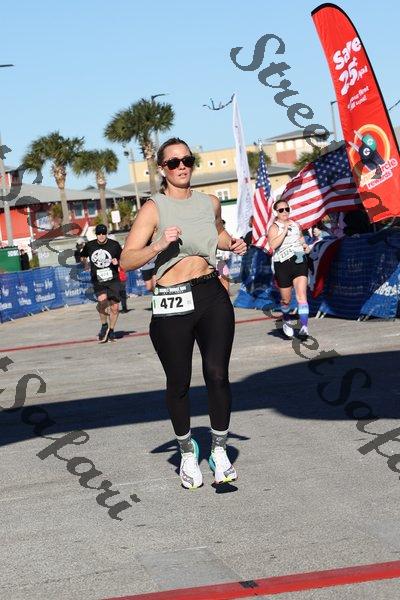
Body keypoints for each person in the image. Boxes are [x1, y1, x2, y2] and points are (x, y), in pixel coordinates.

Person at [120, 137, 247, 489]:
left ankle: (219, 450)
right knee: (179, 382)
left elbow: (217, 234)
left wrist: (232, 242)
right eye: (173, 162)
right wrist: (159, 245)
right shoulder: (154, 208)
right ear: (162, 168)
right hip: (171, 299)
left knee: (217, 374)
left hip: (210, 293)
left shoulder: (210, 202)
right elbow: (126, 259)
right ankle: (188, 452)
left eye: (187, 160)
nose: (181, 167)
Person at [267, 199, 310, 340]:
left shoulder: (296, 224)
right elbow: (273, 245)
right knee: (286, 300)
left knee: (301, 296)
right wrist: (284, 230)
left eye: (287, 209)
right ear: (276, 212)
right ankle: (286, 319)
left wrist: (305, 246)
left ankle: (304, 327)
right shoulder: (274, 227)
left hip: (299, 261)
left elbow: (301, 239)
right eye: (281, 210)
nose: (285, 212)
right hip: (282, 264)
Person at [80, 224, 122, 343]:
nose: (101, 236)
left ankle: (111, 330)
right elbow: (82, 256)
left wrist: (118, 262)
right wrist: (86, 264)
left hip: (113, 279)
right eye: (99, 233)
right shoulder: (90, 245)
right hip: (98, 279)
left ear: (106, 234)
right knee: (102, 301)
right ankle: (104, 325)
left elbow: (124, 257)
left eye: (103, 233)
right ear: (96, 234)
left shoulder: (114, 245)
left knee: (115, 307)